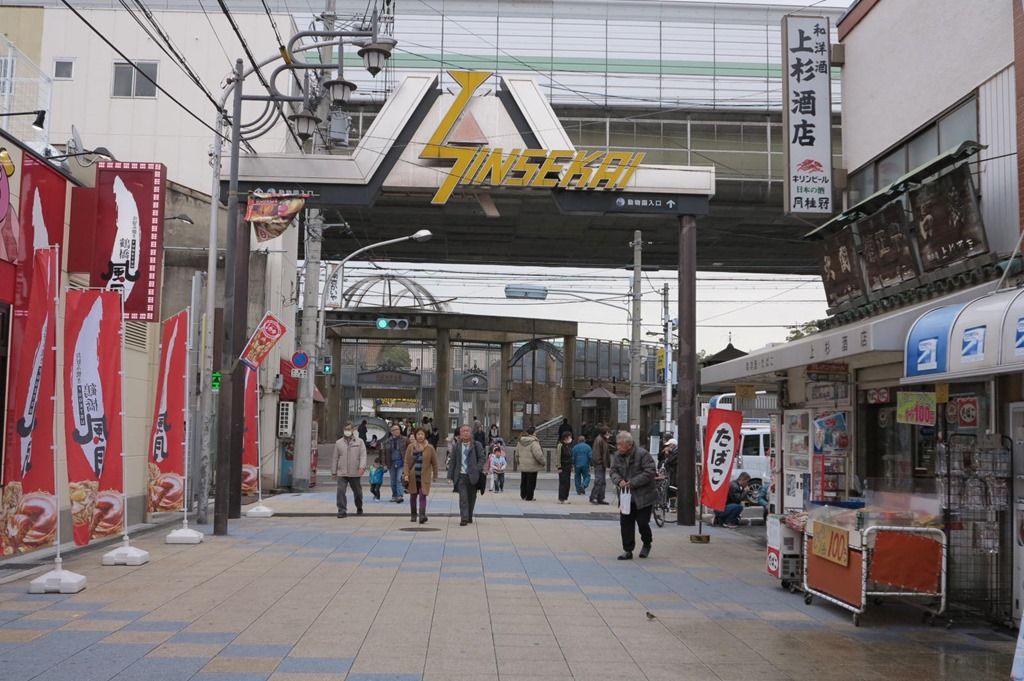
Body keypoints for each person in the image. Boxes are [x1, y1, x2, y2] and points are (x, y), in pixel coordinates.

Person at [610, 431, 656, 560]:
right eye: (617, 444)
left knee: (642, 523)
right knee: (626, 524)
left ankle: (647, 543)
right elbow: (613, 471)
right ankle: (628, 550)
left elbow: (650, 471)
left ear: (629, 445)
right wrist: (619, 481)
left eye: (621, 445)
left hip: (643, 495)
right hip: (626, 496)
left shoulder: (643, 454)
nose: (618, 447)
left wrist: (633, 482)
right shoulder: (617, 456)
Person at [448, 424, 486, 526]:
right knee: (463, 498)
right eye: (463, 431)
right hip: (461, 476)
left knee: (472, 498)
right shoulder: (456, 446)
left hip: (473, 476)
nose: (465, 433)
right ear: (460, 434)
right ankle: (464, 518)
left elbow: (482, 458)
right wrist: (450, 476)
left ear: (471, 433)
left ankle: (469, 516)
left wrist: (477, 468)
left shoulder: (477, 445)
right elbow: (453, 462)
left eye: (467, 431)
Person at [331, 422, 367, 518]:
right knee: (340, 491)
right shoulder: (338, 443)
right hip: (342, 472)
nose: (347, 431)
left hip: (355, 472)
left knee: (358, 492)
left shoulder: (359, 442)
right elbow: (335, 458)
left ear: (352, 430)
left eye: (349, 429)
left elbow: (363, 455)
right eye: (346, 429)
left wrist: (362, 467)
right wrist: (334, 471)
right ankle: (342, 510)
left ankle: (359, 507)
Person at [404, 427, 439, 524]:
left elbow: (435, 463)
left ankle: (422, 515)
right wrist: (406, 474)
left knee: (423, 495)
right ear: (415, 436)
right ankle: (413, 515)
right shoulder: (411, 447)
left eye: (422, 434)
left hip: (424, 476)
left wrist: (435, 475)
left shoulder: (430, 448)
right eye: (418, 434)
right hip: (413, 476)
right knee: (413, 495)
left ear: (425, 436)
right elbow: (406, 462)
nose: (420, 436)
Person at [516, 426, 545, 501]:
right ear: (534, 433)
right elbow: (538, 454)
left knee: (524, 481)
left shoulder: (520, 441)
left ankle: (523, 495)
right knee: (531, 482)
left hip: (523, 465)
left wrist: (518, 462)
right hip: (532, 466)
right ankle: (529, 496)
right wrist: (543, 462)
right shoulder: (534, 442)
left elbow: (517, 454)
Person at [382, 424, 409, 503]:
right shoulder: (387, 442)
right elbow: (383, 454)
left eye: (398, 429)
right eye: (395, 430)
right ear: (391, 432)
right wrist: (384, 465)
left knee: (399, 479)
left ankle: (400, 496)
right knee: (393, 481)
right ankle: (394, 496)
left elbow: (410, 449)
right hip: (391, 464)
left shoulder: (405, 439)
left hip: (401, 463)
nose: (397, 431)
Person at [589, 425, 610, 505]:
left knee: (602, 481)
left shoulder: (603, 439)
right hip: (599, 463)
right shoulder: (599, 440)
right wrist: (599, 462)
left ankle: (600, 497)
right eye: (607, 432)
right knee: (599, 481)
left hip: (602, 463)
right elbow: (596, 453)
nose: (608, 434)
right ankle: (593, 497)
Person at [556, 432, 573, 504]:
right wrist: (559, 467)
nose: (570, 439)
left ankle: (565, 497)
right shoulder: (560, 445)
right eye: (569, 437)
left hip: (568, 467)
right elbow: (558, 456)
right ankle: (561, 498)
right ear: (565, 438)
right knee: (563, 483)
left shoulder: (567, 446)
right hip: (563, 467)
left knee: (567, 483)